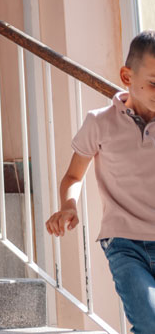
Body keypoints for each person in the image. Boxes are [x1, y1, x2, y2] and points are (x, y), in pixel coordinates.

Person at [46, 30, 155, 334]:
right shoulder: (99, 122)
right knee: (149, 321)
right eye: (154, 82)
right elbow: (73, 175)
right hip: (125, 243)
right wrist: (68, 206)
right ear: (127, 76)